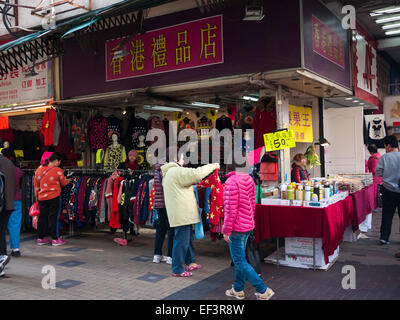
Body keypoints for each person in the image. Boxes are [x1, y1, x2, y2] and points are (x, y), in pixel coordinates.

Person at [161, 148, 219, 277]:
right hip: (182, 213)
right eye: (182, 157)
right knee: (181, 241)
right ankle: (177, 269)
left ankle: (188, 263)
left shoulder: (170, 172)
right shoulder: (176, 171)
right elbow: (196, 174)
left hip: (181, 213)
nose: (183, 160)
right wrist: (213, 165)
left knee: (184, 240)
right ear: (176, 159)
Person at [222, 164, 274, 300]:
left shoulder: (230, 182)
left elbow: (230, 210)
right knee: (241, 260)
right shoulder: (249, 180)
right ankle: (238, 289)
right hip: (247, 226)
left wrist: (226, 230)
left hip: (236, 228)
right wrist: (250, 221)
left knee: (239, 261)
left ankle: (263, 290)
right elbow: (252, 204)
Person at [34, 152, 71, 246]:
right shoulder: (58, 170)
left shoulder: (39, 169)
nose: (59, 163)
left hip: (42, 197)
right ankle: (55, 239)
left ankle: (40, 238)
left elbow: (36, 185)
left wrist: (37, 197)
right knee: (53, 217)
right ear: (55, 160)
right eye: (59, 161)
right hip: (54, 197)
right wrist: (68, 180)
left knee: (42, 218)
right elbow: (63, 183)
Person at [376, 135, 400, 245]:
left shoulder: (384, 158)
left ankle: (384, 238)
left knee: (387, 215)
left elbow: (379, 173)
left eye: (385, 146)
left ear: (389, 146)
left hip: (388, 190)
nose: (385, 149)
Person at [1, 149, 23, 257]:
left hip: (4, 200)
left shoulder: (3, 167)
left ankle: (3, 253)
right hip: (16, 199)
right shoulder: (18, 170)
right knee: (15, 224)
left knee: (2, 229)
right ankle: (16, 248)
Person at [0, 141, 16, 277]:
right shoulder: (8, 163)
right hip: (8, 204)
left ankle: (1, 262)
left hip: (2, 204)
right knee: (1, 234)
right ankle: (2, 264)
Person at [153, 160, 173, 264]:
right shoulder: (167, 171)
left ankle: (157, 255)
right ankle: (170, 256)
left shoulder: (156, 171)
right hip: (167, 204)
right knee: (170, 230)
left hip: (158, 204)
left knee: (160, 230)